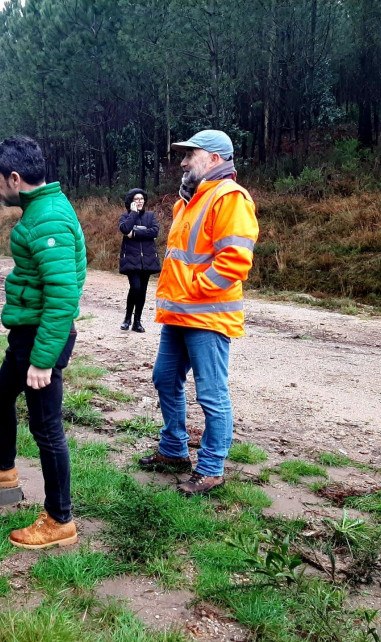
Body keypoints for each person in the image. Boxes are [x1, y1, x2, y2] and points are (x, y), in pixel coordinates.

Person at [0, 135, 87, 549]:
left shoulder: (47, 218)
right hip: (26, 335)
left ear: (16, 178)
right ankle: (3, 466)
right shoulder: (39, 210)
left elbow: (63, 295)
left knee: (46, 428)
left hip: (40, 338)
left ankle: (59, 519)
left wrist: (43, 359)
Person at [140, 130, 258, 496]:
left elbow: (234, 262)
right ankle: (174, 450)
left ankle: (211, 469)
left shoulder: (229, 197)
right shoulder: (186, 203)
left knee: (211, 394)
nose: (184, 161)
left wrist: (193, 289)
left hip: (206, 316)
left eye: (192, 154)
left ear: (215, 159)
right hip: (179, 315)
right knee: (164, 379)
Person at [118, 188, 161, 333]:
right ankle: (127, 319)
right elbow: (125, 229)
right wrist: (134, 214)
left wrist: (135, 233)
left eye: (142, 199)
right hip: (131, 259)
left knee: (142, 291)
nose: (140, 201)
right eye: (137, 199)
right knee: (135, 287)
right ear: (131, 202)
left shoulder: (150, 216)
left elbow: (154, 231)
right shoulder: (125, 217)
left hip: (147, 259)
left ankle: (137, 322)